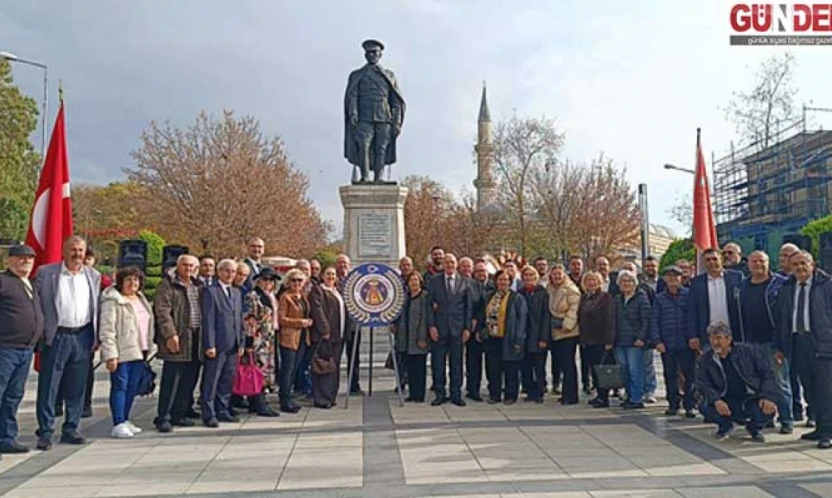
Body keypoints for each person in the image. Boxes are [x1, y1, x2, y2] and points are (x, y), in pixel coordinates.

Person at [35, 236, 101, 451]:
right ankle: (45, 432)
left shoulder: (93, 275)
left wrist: (97, 336)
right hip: (57, 336)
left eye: (81, 250)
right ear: (64, 251)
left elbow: (96, 307)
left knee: (77, 386)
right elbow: (38, 305)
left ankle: (71, 428)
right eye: (73, 250)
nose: (77, 254)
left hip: (83, 336)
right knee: (49, 386)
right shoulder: (47, 273)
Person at [775, 251, 832, 449]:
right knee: (809, 388)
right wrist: (780, 346)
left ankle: (828, 431)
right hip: (797, 343)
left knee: (826, 390)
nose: (800, 267)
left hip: (823, 344)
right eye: (795, 264)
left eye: (803, 263)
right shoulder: (787, 287)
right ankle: (818, 425)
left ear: (812, 264)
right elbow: (782, 319)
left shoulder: (827, 285)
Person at [735, 251, 791, 433]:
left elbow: (785, 317)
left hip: (772, 343)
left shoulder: (780, 284)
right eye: (754, 261)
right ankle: (766, 418)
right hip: (748, 343)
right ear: (748, 264)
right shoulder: (741, 286)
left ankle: (786, 419)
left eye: (762, 261)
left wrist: (780, 344)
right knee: (757, 384)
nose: (758, 264)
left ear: (768, 263)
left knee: (778, 382)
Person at [697, 321, 778, 442]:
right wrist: (716, 400)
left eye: (719, 338)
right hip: (725, 399)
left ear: (729, 339)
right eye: (712, 339)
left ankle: (755, 428)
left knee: (768, 408)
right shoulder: (705, 359)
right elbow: (702, 383)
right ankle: (726, 425)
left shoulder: (748, 352)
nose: (715, 343)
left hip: (749, 398)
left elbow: (767, 374)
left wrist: (767, 396)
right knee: (704, 406)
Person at [99, 267, 153, 438]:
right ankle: (118, 421)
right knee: (120, 387)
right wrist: (110, 354)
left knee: (132, 387)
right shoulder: (113, 300)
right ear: (121, 282)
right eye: (129, 280)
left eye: (136, 280)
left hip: (140, 349)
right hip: (122, 351)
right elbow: (107, 328)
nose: (133, 283)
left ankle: (126, 418)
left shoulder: (141, 299)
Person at [0, 245, 43, 455]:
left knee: (13, 395)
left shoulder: (30, 284)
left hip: (25, 349)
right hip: (5, 348)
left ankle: (7, 437)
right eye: (20, 258)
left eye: (29, 259)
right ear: (10, 260)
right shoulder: (3, 281)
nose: (25, 262)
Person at [153, 254, 203, 433]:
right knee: (171, 379)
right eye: (185, 265)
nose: (188, 269)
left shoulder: (199, 286)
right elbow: (162, 312)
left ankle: (180, 413)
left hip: (196, 337)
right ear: (178, 266)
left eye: (192, 266)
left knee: (189, 378)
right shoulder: (167, 285)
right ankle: (163, 416)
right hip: (177, 336)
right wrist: (170, 334)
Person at [200, 260, 244, 428]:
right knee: (212, 380)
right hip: (217, 344)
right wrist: (209, 344)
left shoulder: (236, 292)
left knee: (227, 379)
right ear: (219, 271)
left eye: (233, 271)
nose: (230, 274)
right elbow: (209, 320)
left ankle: (222, 409)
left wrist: (241, 341)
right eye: (226, 271)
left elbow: (239, 319)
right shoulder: (211, 292)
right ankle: (208, 412)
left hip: (233, 344)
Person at [427, 253, 472, 407]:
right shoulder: (434, 281)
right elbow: (429, 306)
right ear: (443, 265)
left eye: (452, 263)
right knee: (438, 363)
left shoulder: (465, 282)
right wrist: (432, 326)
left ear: (457, 264)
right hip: (439, 329)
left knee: (457, 363)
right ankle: (440, 393)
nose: (450, 265)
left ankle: (456, 393)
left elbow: (468, 308)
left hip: (458, 329)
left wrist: (467, 328)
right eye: (447, 263)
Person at [651, 266, 696, 417]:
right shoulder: (659, 298)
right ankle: (673, 403)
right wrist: (657, 341)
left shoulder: (689, 295)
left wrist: (693, 337)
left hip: (686, 343)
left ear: (681, 278)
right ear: (664, 279)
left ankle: (689, 404)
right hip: (667, 344)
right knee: (670, 375)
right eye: (669, 276)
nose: (672, 279)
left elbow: (693, 318)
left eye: (675, 276)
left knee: (689, 375)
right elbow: (654, 321)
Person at [482, 270, 528, 405]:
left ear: (510, 282)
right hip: (493, 338)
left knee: (511, 368)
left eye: (506, 280)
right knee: (493, 368)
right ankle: (494, 395)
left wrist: (519, 339)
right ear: (496, 281)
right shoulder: (490, 296)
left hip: (510, 338)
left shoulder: (517, 298)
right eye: (500, 279)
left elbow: (522, 320)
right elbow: (484, 315)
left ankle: (510, 395)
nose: (503, 282)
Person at [777, 242, 809, 425]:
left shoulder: (817, 283)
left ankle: (812, 415)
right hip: (789, 338)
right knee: (789, 377)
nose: (785, 259)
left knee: (810, 379)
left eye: (789, 255)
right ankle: (793, 410)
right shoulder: (782, 283)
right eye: (782, 255)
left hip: (812, 339)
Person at [241, 269, 280, 417]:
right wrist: (249, 343)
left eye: (271, 281)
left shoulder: (271, 296)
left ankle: (255, 402)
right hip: (257, 340)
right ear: (259, 281)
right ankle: (259, 403)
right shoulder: (253, 296)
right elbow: (249, 320)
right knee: (258, 371)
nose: (268, 283)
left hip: (268, 338)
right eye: (265, 280)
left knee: (266, 370)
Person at [689, 248, 743, 352]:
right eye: (708, 260)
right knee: (711, 367)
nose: (711, 262)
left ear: (721, 259)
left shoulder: (736, 277)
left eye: (714, 259)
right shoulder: (696, 282)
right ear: (704, 262)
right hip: (708, 337)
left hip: (733, 334)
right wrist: (693, 334)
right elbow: (692, 310)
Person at [612, 270, 651, 410]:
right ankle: (629, 396)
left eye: (629, 281)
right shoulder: (617, 299)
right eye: (623, 281)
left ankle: (636, 398)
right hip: (619, 341)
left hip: (635, 341)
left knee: (635, 371)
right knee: (624, 371)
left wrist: (641, 337)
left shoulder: (641, 298)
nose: (626, 284)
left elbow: (646, 320)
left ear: (635, 283)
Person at [309, 266, 345, 409]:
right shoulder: (318, 290)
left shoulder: (337, 291)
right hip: (325, 336)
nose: (331, 277)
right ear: (322, 276)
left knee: (333, 367)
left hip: (338, 336)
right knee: (323, 367)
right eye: (328, 274)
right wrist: (325, 329)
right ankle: (322, 399)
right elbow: (317, 310)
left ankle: (331, 396)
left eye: (333, 274)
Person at [578, 271, 616, 409]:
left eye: (594, 280)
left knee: (601, 369)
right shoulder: (585, 298)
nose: (591, 283)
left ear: (599, 282)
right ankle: (599, 395)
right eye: (588, 280)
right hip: (588, 340)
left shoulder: (605, 298)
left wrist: (609, 341)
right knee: (593, 369)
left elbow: (610, 320)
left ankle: (604, 397)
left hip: (601, 340)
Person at [546, 264, 582, 405]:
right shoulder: (550, 289)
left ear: (564, 275)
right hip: (555, 331)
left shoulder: (571, 290)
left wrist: (566, 325)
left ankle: (572, 395)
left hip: (568, 332)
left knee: (568, 364)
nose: (556, 277)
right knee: (561, 363)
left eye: (559, 274)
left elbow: (574, 310)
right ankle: (566, 393)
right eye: (554, 274)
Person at [278, 269, 313, 413]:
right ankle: (284, 400)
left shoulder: (303, 296)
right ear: (287, 282)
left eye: (300, 280)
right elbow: (282, 319)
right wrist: (301, 322)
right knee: (287, 370)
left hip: (303, 338)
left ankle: (289, 396)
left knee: (295, 369)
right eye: (294, 280)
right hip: (289, 338)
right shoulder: (285, 297)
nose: (297, 283)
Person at [394, 272, 430, 402]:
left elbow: (425, 318)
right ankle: (412, 393)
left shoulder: (424, 297)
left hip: (418, 338)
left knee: (419, 367)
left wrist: (423, 337)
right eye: (411, 280)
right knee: (410, 367)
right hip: (406, 337)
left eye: (416, 280)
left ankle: (420, 395)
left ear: (420, 282)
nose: (413, 283)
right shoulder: (405, 297)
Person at [518, 266, 549, 404]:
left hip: (538, 335)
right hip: (524, 335)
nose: (529, 278)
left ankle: (540, 392)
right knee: (526, 366)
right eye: (526, 275)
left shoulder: (543, 293)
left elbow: (546, 316)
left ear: (536, 277)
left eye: (532, 275)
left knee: (539, 366)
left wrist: (543, 337)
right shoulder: (520, 293)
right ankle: (530, 391)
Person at [336, 254, 363, 395]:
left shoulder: (355, 280)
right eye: (340, 263)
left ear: (349, 265)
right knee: (335, 357)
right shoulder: (332, 280)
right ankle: (332, 387)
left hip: (353, 325)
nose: (342, 265)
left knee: (354, 357)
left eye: (345, 263)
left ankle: (354, 386)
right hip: (337, 326)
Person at [466, 261, 493, 402]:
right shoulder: (469, 287)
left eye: (484, 271)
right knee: (473, 363)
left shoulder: (493, 286)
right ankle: (472, 390)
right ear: (474, 273)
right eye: (478, 272)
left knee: (491, 362)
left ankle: (493, 389)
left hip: (490, 330)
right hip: (473, 331)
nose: (482, 274)